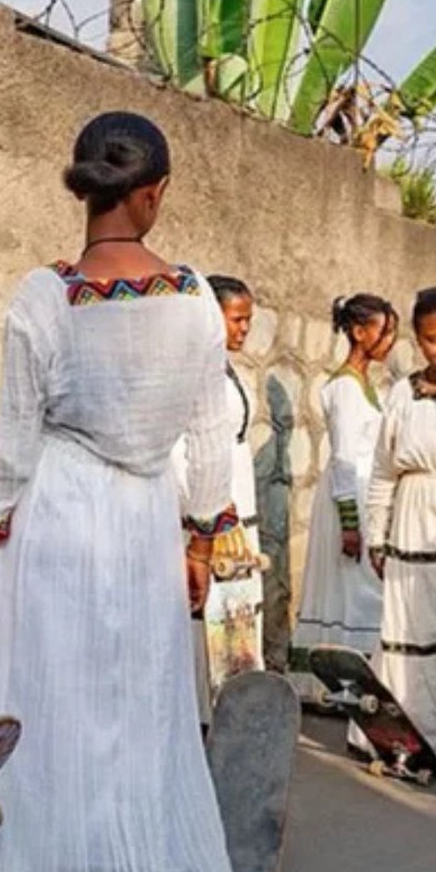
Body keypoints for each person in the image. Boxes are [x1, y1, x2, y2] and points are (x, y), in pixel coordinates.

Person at [0, 112, 255, 872]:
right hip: (146, 520)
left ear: (83, 188)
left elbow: (12, 442)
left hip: (58, 518)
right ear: (154, 193)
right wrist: (198, 539)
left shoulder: (44, 295)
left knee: (49, 703)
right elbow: (209, 434)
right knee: (136, 707)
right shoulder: (193, 297)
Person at [362, 287, 436, 759]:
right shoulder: (403, 393)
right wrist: (375, 536)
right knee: (410, 633)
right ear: (419, 342)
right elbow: (383, 472)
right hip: (411, 527)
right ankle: (406, 736)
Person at [290, 294, 397, 701]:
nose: (388, 340)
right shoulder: (345, 390)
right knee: (357, 588)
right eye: (382, 331)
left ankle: (355, 678)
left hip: (363, 496)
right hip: (346, 501)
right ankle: (343, 682)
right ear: (358, 332)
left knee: (360, 588)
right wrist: (351, 524)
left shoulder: (364, 385)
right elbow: (343, 460)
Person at [176, 275, 263, 725]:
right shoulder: (193, 372)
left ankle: (234, 707)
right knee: (207, 612)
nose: (244, 329)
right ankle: (200, 715)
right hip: (213, 509)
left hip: (238, 504)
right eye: (237, 319)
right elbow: (185, 448)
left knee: (237, 611)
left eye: (249, 320)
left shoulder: (230, 370)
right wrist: (207, 512)